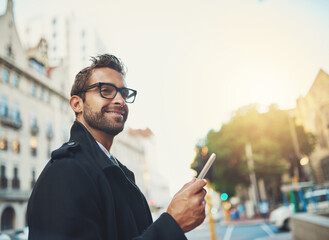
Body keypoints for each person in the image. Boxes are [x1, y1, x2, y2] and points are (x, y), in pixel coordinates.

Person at [27, 54, 207, 240]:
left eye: (124, 94)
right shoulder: (65, 171)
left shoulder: (117, 172)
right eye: (105, 90)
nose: (120, 100)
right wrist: (172, 224)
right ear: (77, 104)